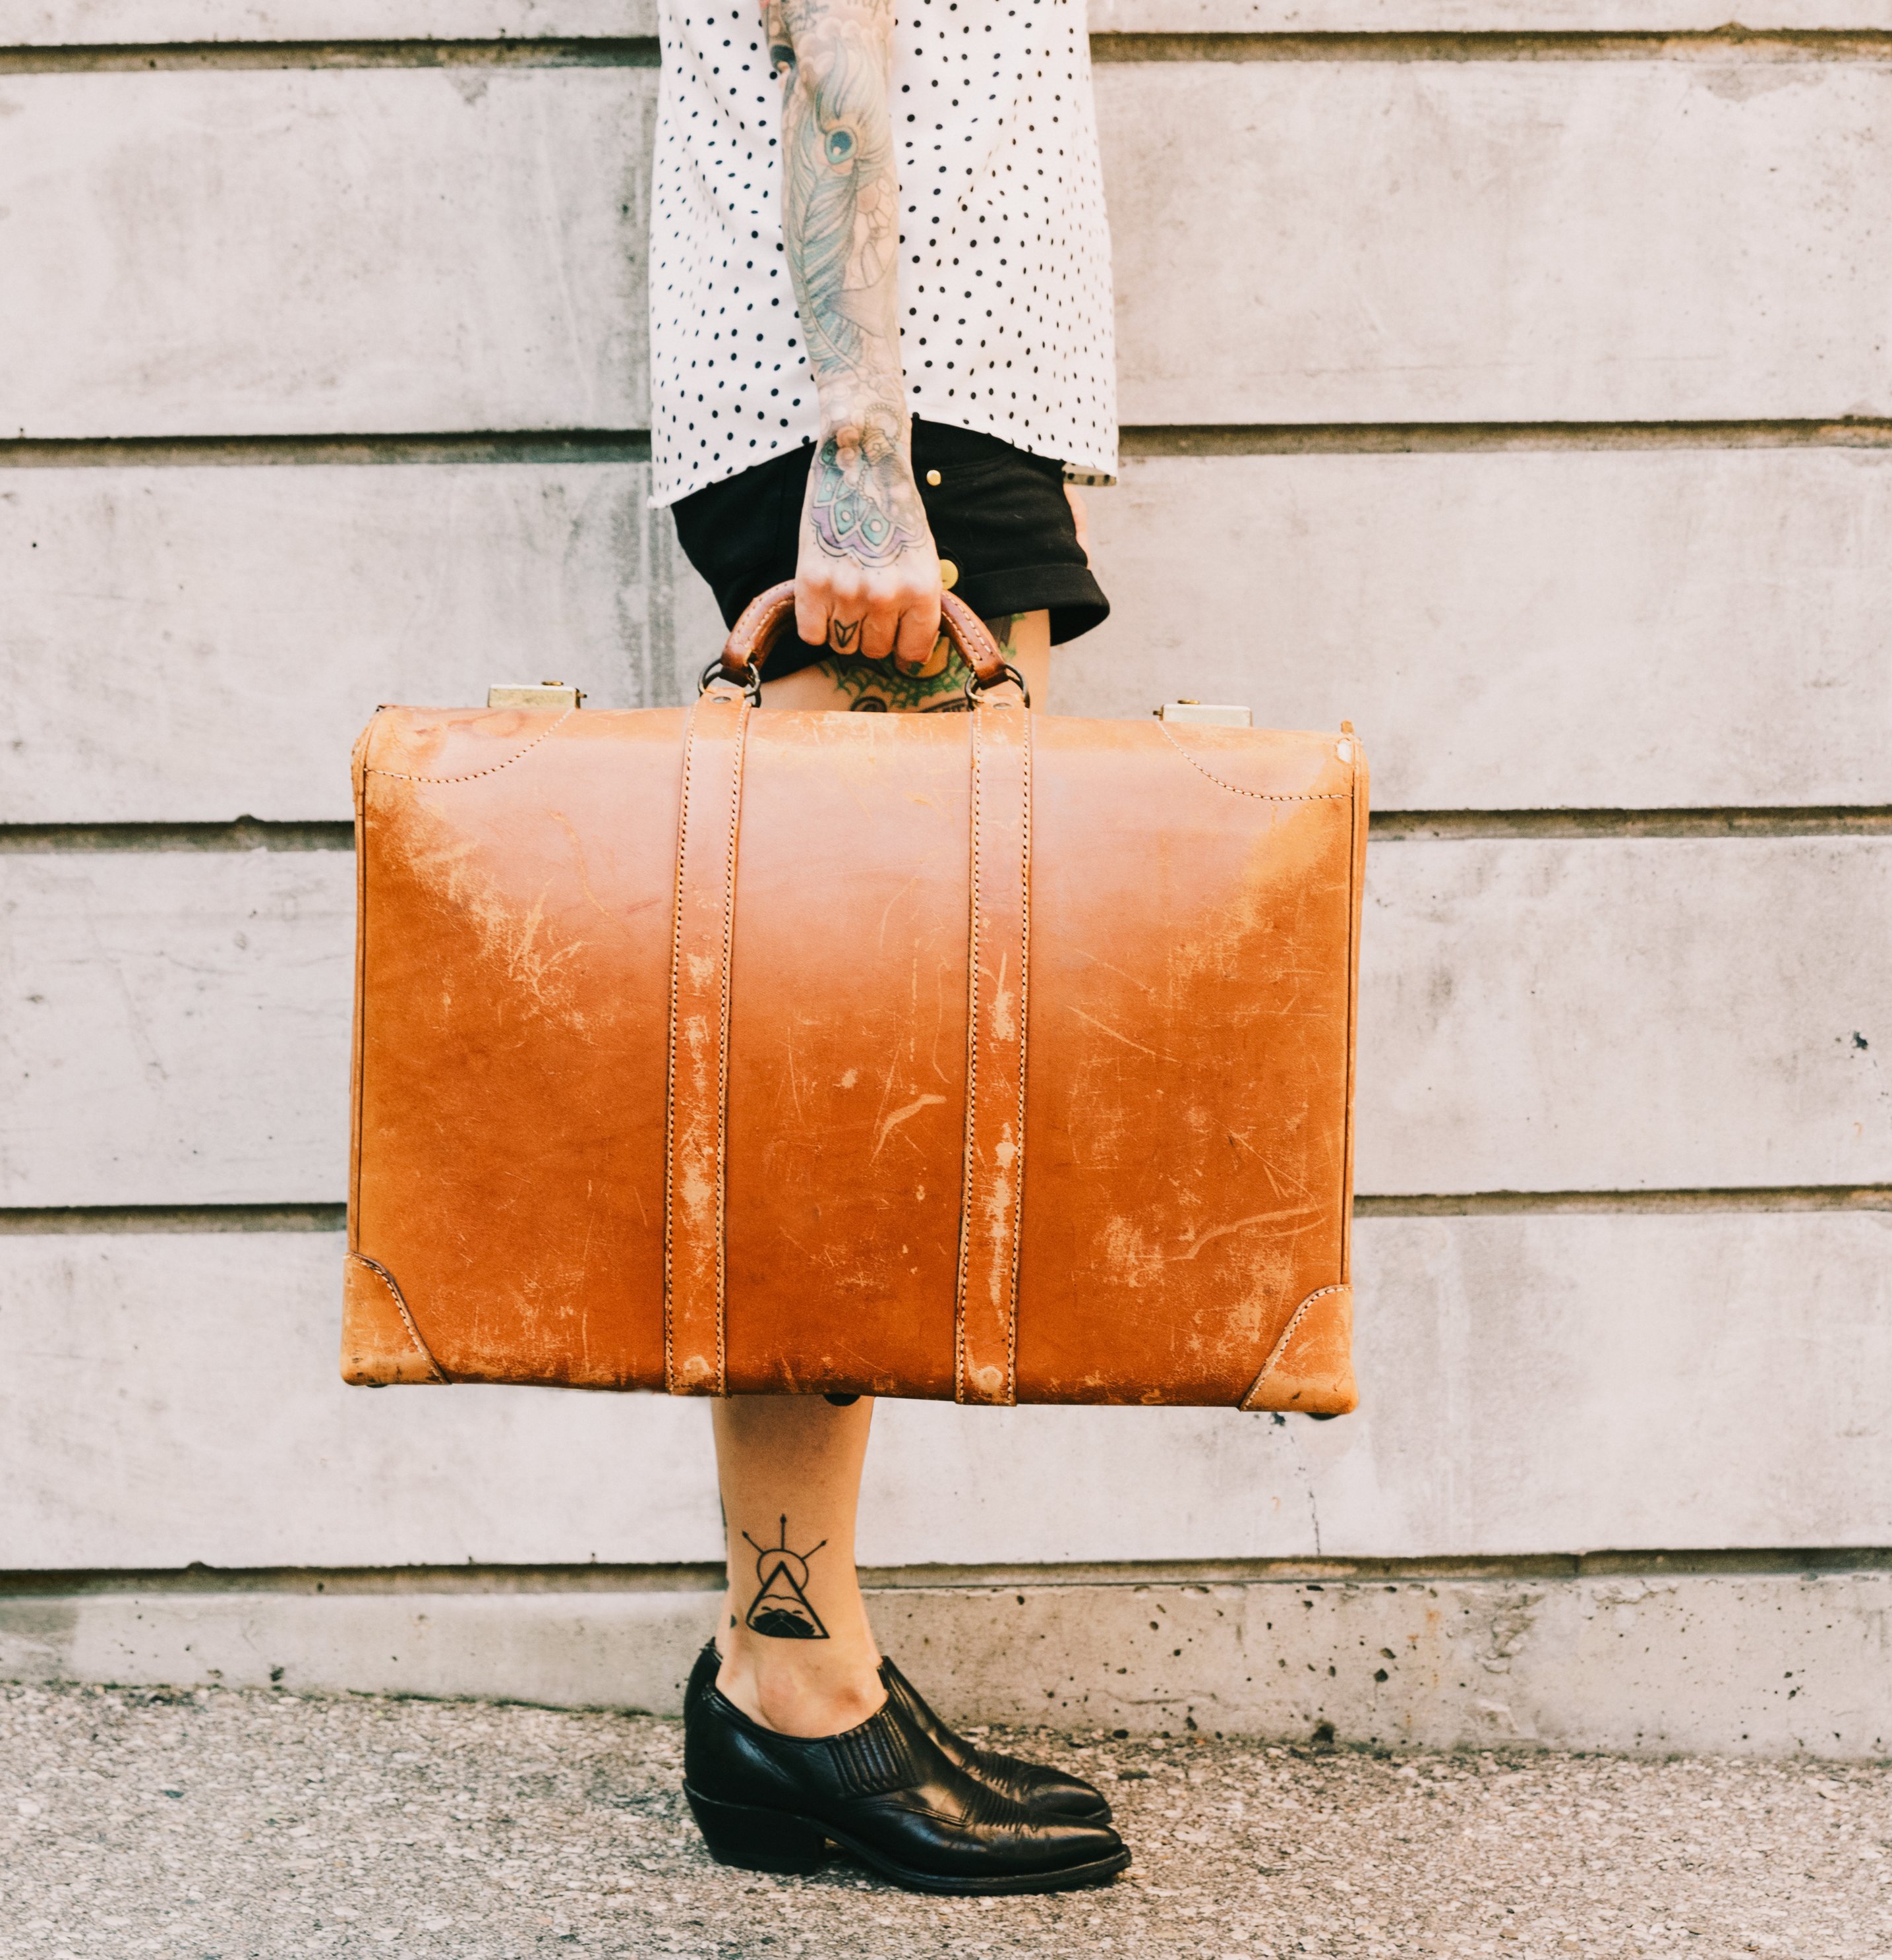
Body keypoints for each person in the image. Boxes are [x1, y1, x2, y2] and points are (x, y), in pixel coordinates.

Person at [647, 0, 1128, 1897]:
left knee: (877, 1057)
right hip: (867, 421)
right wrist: (864, 457)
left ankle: (808, 1654)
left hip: (911, 406)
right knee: (833, 1075)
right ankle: (787, 1676)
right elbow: (834, 54)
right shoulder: (863, 458)